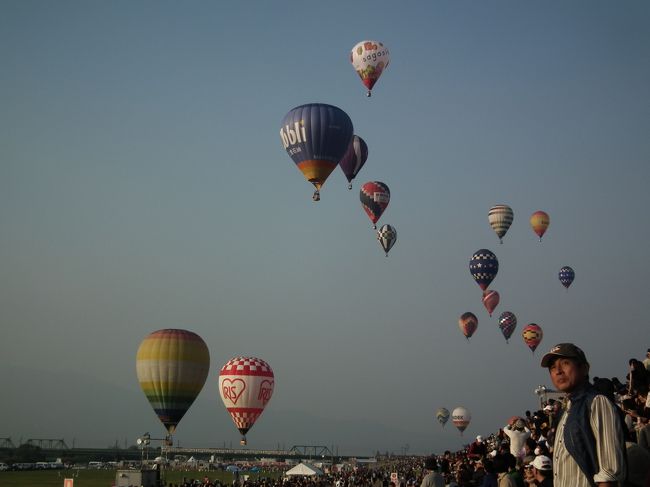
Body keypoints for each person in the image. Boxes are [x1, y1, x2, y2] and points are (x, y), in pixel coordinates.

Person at [540, 343, 626, 487]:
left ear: (584, 368)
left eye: (565, 363)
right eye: (553, 367)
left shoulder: (596, 402)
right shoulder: (566, 408)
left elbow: (609, 475)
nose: (558, 371)